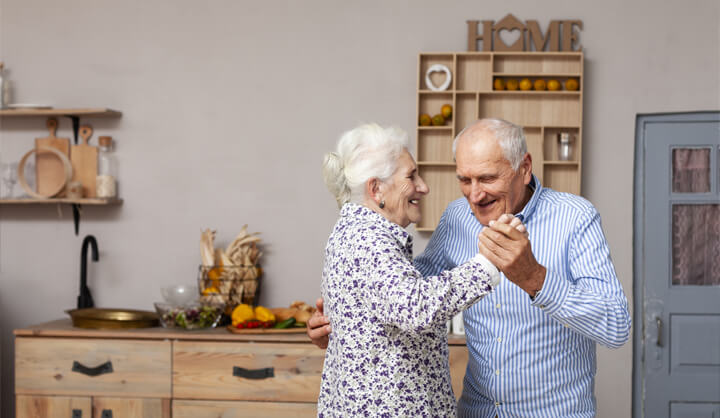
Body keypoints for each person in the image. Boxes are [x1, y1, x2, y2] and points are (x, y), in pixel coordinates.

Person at [309, 118, 631, 417]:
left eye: (487, 178)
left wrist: (535, 278)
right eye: (465, 179)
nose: (474, 195)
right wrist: (349, 322)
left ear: (524, 168)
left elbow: (616, 326)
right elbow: (410, 295)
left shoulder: (576, 218)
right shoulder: (457, 217)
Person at [317, 123, 526, 417]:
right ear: (376, 189)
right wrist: (490, 262)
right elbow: (417, 308)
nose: (423, 187)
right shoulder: (369, 242)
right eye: (411, 176)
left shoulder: (352, 232)